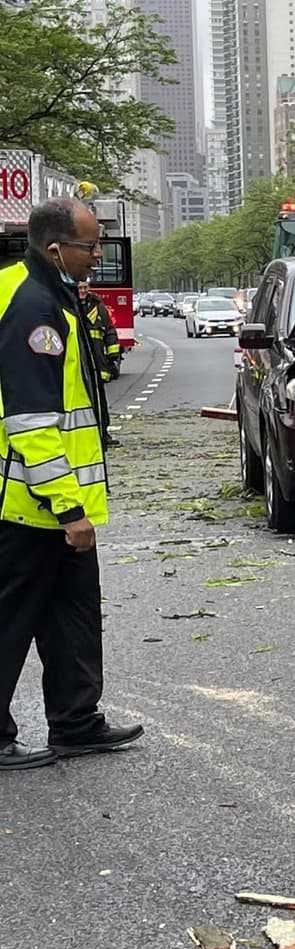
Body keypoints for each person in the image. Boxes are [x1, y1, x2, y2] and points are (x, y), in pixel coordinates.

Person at [0, 197, 144, 771]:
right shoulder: (35, 308)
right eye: (90, 245)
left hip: (52, 501)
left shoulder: (44, 292)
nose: (99, 255)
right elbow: (33, 423)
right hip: (30, 503)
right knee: (11, 622)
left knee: (73, 616)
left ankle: (77, 722)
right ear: (56, 248)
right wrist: (67, 508)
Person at [77, 279, 120, 447]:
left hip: (97, 362)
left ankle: (103, 434)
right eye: (79, 288)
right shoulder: (70, 305)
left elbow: (109, 331)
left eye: (85, 288)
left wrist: (113, 357)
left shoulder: (97, 306)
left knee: (100, 401)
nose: (82, 291)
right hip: (78, 362)